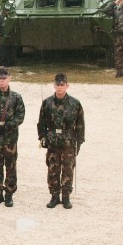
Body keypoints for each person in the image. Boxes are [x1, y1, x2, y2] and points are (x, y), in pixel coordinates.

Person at [37, 73, 85, 209]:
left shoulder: (75, 104)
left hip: (68, 142)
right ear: (54, 85)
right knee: (53, 169)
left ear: (67, 86)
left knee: (68, 170)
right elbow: (41, 123)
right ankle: (54, 196)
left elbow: (80, 124)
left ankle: (66, 197)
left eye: (62, 85)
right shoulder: (47, 103)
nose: (59, 87)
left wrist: (79, 142)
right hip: (53, 142)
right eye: (57, 84)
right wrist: (42, 137)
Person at [0, 68, 25, 208]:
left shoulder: (16, 97)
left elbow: (20, 115)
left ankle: (9, 195)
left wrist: (7, 126)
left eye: (4, 78)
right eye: (0, 78)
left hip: (10, 138)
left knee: (10, 166)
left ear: (9, 78)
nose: (2, 80)